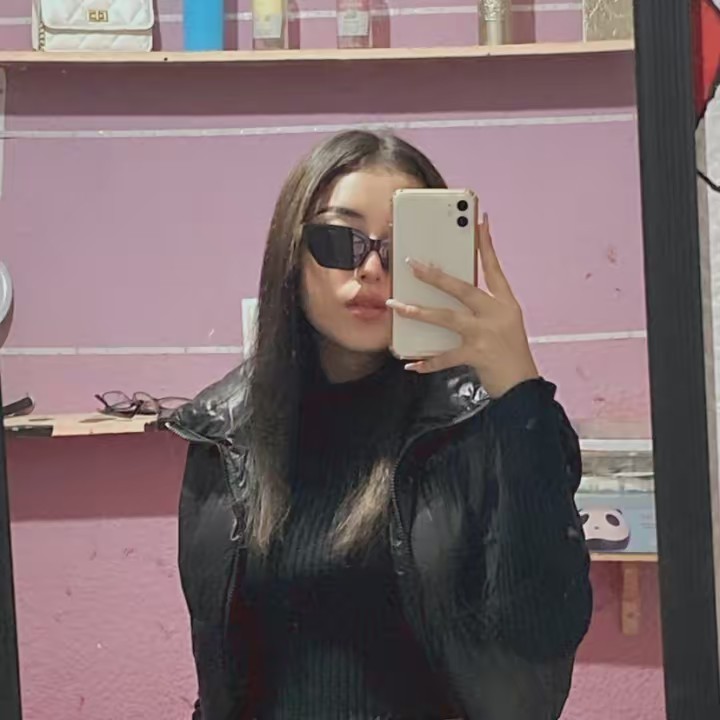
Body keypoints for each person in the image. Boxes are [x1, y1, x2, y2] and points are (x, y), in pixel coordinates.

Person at [168, 130, 593, 720]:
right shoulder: (226, 430)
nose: (370, 268)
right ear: (292, 254)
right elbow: (222, 667)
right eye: (338, 240)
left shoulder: (480, 425)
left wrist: (520, 397)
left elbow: (544, 637)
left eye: (401, 248)